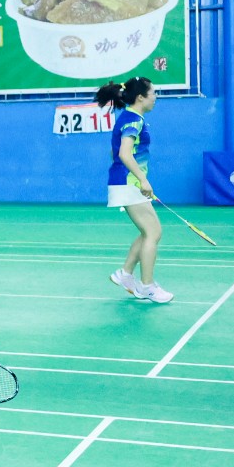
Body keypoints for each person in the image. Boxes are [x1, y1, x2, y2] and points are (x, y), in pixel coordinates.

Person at [97, 77, 171, 303]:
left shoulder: (129, 117)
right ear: (141, 97)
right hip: (129, 182)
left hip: (127, 181)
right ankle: (146, 286)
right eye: (153, 93)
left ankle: (125, 274)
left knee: (150, 232)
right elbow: (123, 154)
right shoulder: (133, 120)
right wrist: (142, 179)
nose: (155, 97)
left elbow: (114, 152)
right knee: (153, 233)